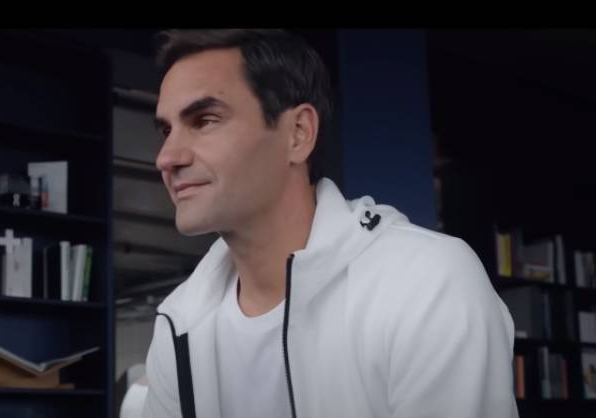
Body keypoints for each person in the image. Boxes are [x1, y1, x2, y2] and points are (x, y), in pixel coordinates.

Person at [142, 29, 518, 418]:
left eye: (204, 120)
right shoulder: (180, 319)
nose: (166, 158)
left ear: (298, 134)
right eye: (167, 130)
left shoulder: (427, 284)